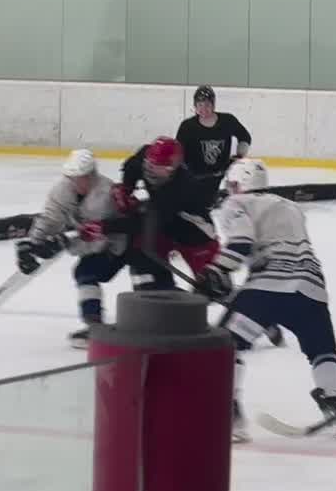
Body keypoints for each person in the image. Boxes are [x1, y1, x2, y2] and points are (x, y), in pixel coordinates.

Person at [208, 158, 336, 443]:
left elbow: (241, 243)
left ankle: (230, 417)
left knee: (224, 345)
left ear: (238, 184)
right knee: (322, 349)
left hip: (268, 287)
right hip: (312, 287)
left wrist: (216, 271)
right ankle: (332, 404)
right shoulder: (289, 205)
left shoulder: (236, 203)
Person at [14, 149, 142, 348]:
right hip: (94, 242)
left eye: (81, 177)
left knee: (144, 278)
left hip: (119, 244)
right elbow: (50, 217)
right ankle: (94, 325)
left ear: (92, 174)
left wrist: (65, 243)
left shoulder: (105, 194)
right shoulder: (62, 189)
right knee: (84, 273)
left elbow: (98, 236)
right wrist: (33, 243)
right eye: (72, 177)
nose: (76, 182)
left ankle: (155, 320)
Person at [117, 136, 222, 287]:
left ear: (172, 168)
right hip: (166, 227)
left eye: (157, 166)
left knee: (213, 286)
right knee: (141, 254)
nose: (150, 169)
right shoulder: (145, 156)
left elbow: (145, 221)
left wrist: (105, 226)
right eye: (149, 164)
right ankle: (162, 291)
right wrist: (126, 188)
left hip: (197, 237)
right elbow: (132, 167)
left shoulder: (182, 187)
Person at [176, 85, 252, 206]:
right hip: (195, 180)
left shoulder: (227, 121)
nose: (203, 108)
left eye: (207, 104)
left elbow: (245, 136)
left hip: (221, 178)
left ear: (213, 104)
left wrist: (239, 156)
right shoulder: (187, 126)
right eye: (200, 105)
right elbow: (178, 152)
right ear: (195, 106)